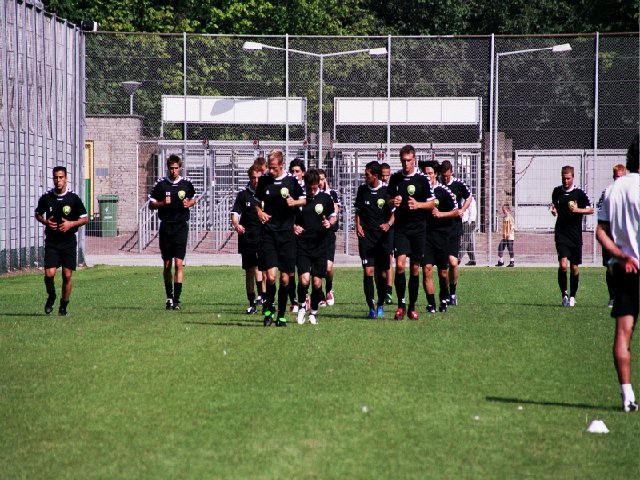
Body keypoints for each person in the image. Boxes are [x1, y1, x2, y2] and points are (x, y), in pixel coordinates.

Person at [595, 135, 639, 412]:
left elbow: (601, 232)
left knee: (623, 333)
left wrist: (620, 254)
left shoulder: (614, 189)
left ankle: (627, 396)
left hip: (625, 269)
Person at [256, 150, 306, 327]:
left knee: (285, 279)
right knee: (270, 277)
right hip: (268, 234)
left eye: (274, 168)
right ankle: (269, 310)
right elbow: (256, 201)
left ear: (282, 165)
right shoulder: (264, 181)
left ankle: (282, 315)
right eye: (269, 167)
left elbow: (305, 199)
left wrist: (295, 202)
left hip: (286, 235)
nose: (271, 170)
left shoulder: (292, 182)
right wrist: (259, 212)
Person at [387, 145, 435, 320]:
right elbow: (388, 201)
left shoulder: (422, 179)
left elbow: (431, 203)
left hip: (418, 229)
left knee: (415, 268)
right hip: (401, 228)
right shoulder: (395, 178)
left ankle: (412, 307)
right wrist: (394, 202)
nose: (406, 163)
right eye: (403, 160)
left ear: (414, 159)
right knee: (400, 265)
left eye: (408, 160)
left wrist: (419, 205)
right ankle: (401, 305)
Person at [35, 166, 88, 316]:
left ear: (66, 178)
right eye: (55, 178)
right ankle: (51, 295)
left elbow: (84, 218)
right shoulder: (47, 197)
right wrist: (45, 222)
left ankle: (64, 305)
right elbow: (38, 214)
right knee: (49, 274)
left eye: (61, 177)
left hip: (68, 242)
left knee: (67, 275)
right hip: (52, 241)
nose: (58, 180)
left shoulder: (73, 198)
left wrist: (71, 224)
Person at [148, 155, 196, 310]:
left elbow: (193, 198)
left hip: (181, 226)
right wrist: (162, 203)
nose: (174, 171)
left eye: (176, 168)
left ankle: (176, 299)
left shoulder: (187, 183)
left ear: (180, 167)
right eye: (171, 168)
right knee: (167, 264)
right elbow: (151, 204)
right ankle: (168, 297)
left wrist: (189, 203)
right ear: (168, 168)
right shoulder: (161, 185)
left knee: (178, 263)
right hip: (166, 227)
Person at [294, 169, 337, 325]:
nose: (312, 190)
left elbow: (333, 215)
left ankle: (313, 312)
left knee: (318, 283)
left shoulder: (325, 198)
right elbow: (289, 217)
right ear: (306, 185)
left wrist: (329, 222)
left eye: (315, 187)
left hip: (320, 245)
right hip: (303, 245)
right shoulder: (300, 200)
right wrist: (293, 226)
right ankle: (300, 306)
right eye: (310, 187)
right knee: (304, 281)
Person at [550, 165, 594, 307]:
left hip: (575, 235)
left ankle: (573, 297)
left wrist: (577, 210)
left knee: (574, 267)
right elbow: (555, 206)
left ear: (573, 177)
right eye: (564, 178)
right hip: (561, 233)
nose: (566, 181)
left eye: (568, 178)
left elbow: (590, 209)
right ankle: (564, 294)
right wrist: (554, 211)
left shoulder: (579, 194)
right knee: (563, 265)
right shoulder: (557, 191)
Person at [355, 161, 394, 318]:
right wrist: (357, 226)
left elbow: (394, 212)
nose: (365, 177)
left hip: (382, 239)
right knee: (368, 271)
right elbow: (358, 211)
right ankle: (371, 306)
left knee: (383, 274)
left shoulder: (386, 191)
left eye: (367, 174)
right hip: (367, 237)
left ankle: (380, 304)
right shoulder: (362, 190)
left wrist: (388, 224)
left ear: (375, 176)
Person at [420, 160, 458, 313]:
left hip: (442, 237)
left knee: (443, 273)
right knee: (427, 269)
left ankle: (444, 297)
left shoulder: (443, 191)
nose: (428, 176)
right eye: (425, 173)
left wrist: (441, 214)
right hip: (425, 237)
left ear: (435, 174)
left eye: (430, 173)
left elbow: (456, 211)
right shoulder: (420, 191)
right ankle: (431, 304)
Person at [231, 165, 264, 314]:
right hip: (247, 238)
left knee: (262, 270)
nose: (256, 180)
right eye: (253, 178)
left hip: (263, 236)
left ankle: (263, 298)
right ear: (249, 178)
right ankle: (252, 303)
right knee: (250, 271)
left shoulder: (266, 194)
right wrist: (237, 224)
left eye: (258, 177)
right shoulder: (243, 195)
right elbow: (235, 213)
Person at [440, 160, 472, 305]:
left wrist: (462, 210)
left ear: (451, 172)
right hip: (440, 229)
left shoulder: (458, 184)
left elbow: (469, 197)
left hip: (454, 228)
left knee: (453, 262)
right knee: (443, 266)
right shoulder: (438, 186)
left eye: (447, 176)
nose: (445, 179)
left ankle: (452, 293)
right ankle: (445, 293)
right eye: (443, 176)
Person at [596, 164, 627, 307]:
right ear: (613, 177)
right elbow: (601, 211)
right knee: (610, 266)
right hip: (610, 234)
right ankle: (613, 296)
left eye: (621, 177)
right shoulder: (607, 192)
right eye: (616, 177)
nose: (619, 180)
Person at [287, 158, 306, 313]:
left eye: (297, 171)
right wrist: (293, 226)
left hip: (306, 233)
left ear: (303, 173)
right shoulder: (287, 188)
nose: (294, 174)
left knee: (304, 270)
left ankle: (304, 297)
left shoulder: (309, 188)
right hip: (291, 232)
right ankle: (293, 300)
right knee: (290, 271)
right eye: (292, 171)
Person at [318, 169, 340, 307]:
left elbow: (336, 211)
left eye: (321, 179)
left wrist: (331, 220)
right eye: (317, 179)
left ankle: (329, 289)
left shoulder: (332, 194)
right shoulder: (312, 194)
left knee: (328, 267)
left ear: (325, 179)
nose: (319, 182)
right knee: (317, 267)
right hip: (316, 234)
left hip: (329, 234)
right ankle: (319, 295)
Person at [380, 162, 394, 305]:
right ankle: (382, 289)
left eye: (387, 176)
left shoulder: (392, 189)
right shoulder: (376, 188)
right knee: (378, 263)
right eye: (382, 176)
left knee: (389, 260)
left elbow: (396, 212)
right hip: (377, 229)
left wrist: (389, 224)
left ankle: (389, 292)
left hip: (390, 228)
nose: (385, 178)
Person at [461, 196, 478, 266]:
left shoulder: (471, 200)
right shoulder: (462, 199)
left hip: (468, 223)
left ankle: (458, 258)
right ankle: (472, 260)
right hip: (464, 222)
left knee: (465, 240)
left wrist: (470, 221)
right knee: (469, 241)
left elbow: (473, 211)